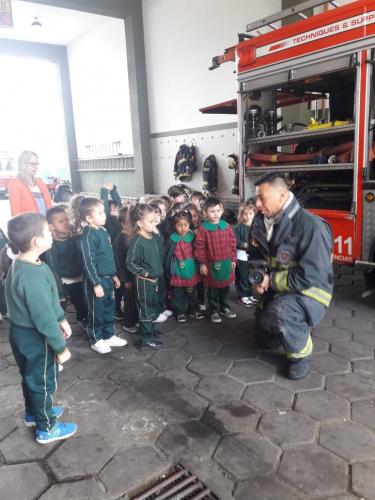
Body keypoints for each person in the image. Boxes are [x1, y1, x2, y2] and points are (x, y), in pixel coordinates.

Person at [249, 173, 333, 380]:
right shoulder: (261, 221)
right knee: (263, 338)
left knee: (280, 316)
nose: (257, 204)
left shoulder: (311, 226)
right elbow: (256, 255)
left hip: (310, 291)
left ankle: (300, 354)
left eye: (262, 198)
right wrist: (259, 276)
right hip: (280, 288)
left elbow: (311, 275)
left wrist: (271, 281)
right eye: (256, 199)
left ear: (282, 195)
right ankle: (286, 325)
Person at [5, 212, 77, 444]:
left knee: (30, 377)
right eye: (47, 231)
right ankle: (47, 427)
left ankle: (34, 414)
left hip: (19, 332)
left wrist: (61, 318)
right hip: (35, 337)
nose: (52, 234)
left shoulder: (22, 263)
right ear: (37, 241)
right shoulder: (31, 275)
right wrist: (59, 347)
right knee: (42, 381)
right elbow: (43, 317)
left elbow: (49, 303)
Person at [78, 198, 127, 354]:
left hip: (108, 280)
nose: (104, 215)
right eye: (99, 213)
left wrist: (114, 276)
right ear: (89, 218)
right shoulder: (87, 235)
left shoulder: (103, 231)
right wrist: (95, 283)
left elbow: (108, 257)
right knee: (97, 312)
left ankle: (108, 335)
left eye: (104, 212)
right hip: (96, 282)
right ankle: (96, 339)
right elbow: (88, 261)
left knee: (109, 309)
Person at [126, 204, 165, 350]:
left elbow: (161, 247)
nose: (155, 224)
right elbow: (130, 263)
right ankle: (145, 339)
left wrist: (155, 230)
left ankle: (149, 331)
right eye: (151, 221)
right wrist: (146, 274)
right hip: (144, 282)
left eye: (156, 221)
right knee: (146, 310)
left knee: (153, 307)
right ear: (140, 223)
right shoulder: (137, 241)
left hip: (155, 280)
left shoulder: (153, 236)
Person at [194, 197, 237, 323]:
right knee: (212, 290)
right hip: (211, 265)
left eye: (218, 210)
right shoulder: (203, 229)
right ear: (205, 213)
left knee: (225, 287)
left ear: (222, 210)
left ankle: (224, 307)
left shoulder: (227, 227)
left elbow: (233, 244)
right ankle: (214, 310)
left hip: (226, 264)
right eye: (212, 211)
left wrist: (233, 258)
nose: (216, 214)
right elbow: (199, 248)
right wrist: (202, 263)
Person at [44, 206, 87, 328]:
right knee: (61, 304)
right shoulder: (51, 246)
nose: (66, 223)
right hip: (62, 279)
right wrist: (59, 292)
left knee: (81, 301)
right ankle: (59, 326)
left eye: (67, 220)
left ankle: (82, 319)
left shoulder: (76, 238)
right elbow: (53, 269)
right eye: (61, 221)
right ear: (51, 226)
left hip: (78, 276)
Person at [165, 210, 204, 323]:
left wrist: (199, 265)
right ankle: (179, 312)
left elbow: (198, 252)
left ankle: (194, 309)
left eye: (186, 225)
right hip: (177, 271)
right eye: (179, 225)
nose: (183, 228)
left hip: (191, 269)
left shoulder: (193, 236)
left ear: (189, 224)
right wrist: (169, 270)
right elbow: (167, 256)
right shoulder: (172, 239)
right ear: (174, 225)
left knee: (192, 292)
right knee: (178, 294)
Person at [112, 206, 138, 332]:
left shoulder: (132, 236)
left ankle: (134, 320)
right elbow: (120, 262)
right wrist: (126, 279)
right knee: (129, 301)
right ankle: (128, 324)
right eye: (131, 222)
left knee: (134, 299)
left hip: (133, 275)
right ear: (123, 223)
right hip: (126, 277)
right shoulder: (120, 240)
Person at [8, 150, 53, 216]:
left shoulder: (40, 181)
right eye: (32, 164)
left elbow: (49, 205)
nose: (35, 167)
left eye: (37, 164)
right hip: (29, 225)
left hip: (45, 224)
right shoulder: (15, 183)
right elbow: (16, 212)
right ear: (23, 164)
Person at [234, 201, 257, 308]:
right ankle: (242, 295)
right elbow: (234, 241)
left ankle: (250, 294)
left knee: (251, 275)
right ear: (241, 215)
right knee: (242, 276)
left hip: (253, 256)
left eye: (250, 213)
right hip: (242, 255)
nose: (248, 216)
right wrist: (244, 244)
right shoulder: (238, 228)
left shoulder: (257, 226)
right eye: (245, 214)